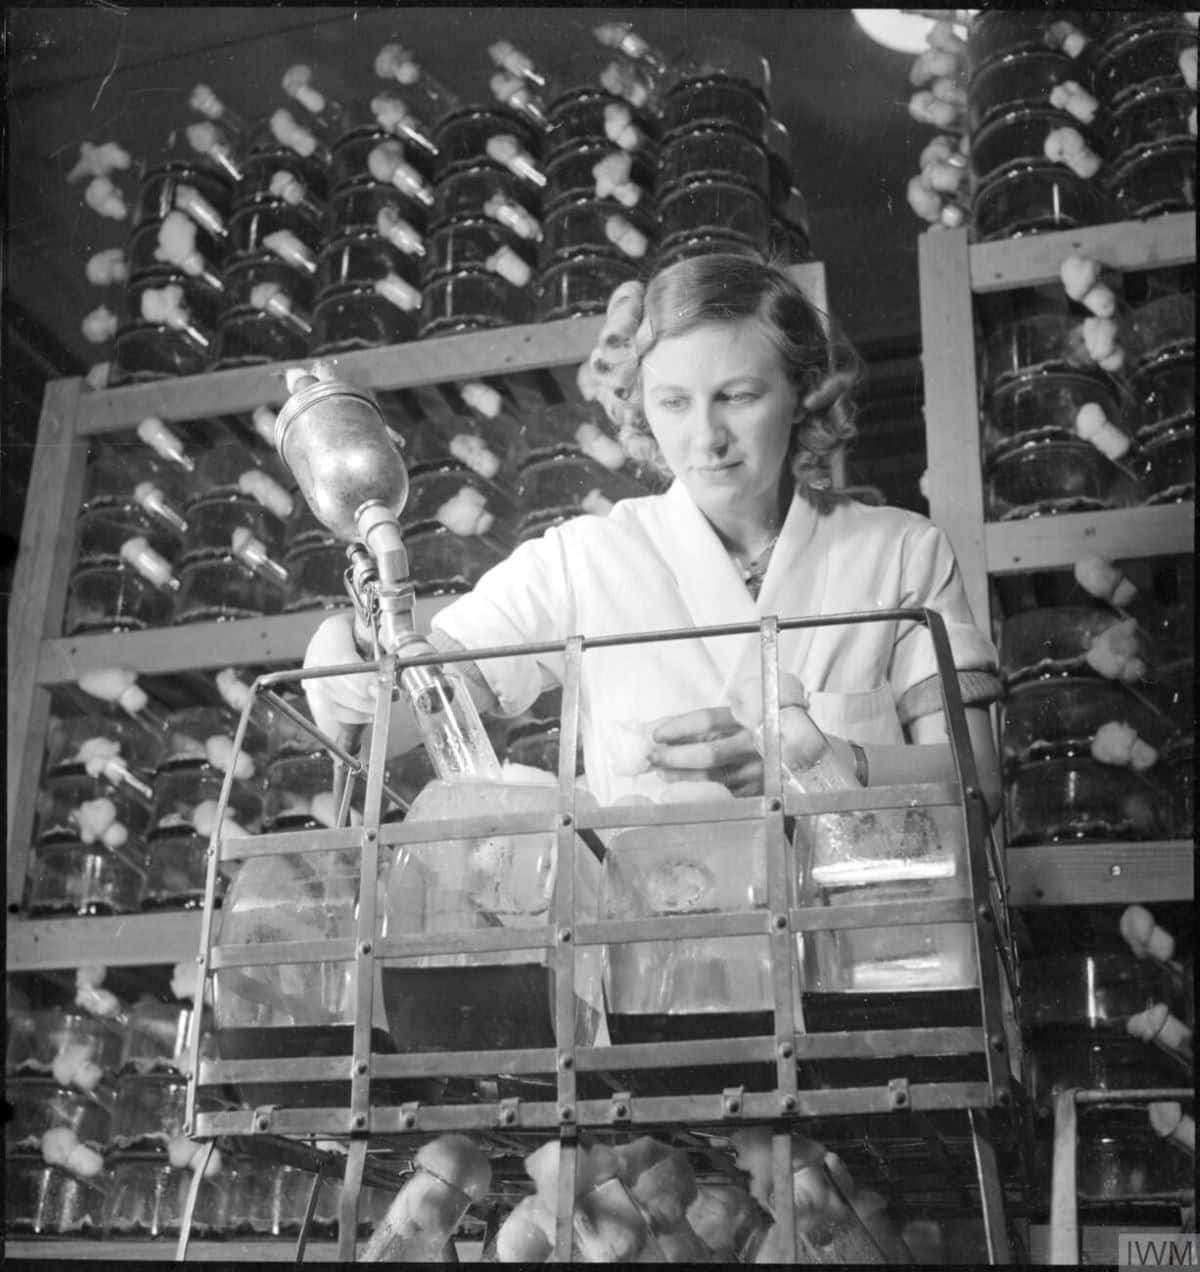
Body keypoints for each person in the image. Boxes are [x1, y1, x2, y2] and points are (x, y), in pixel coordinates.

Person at [303, 253, 1002, 815]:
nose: (707, 438)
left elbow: (980, 790)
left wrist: (817, 759)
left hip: (872, 958)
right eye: (674, 403)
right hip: (660, 968)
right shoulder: (583, 561)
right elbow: (408, 718)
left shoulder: (901, 553)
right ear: (642, 407)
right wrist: (343, 663)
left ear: (802, 390)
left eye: (739, 396)